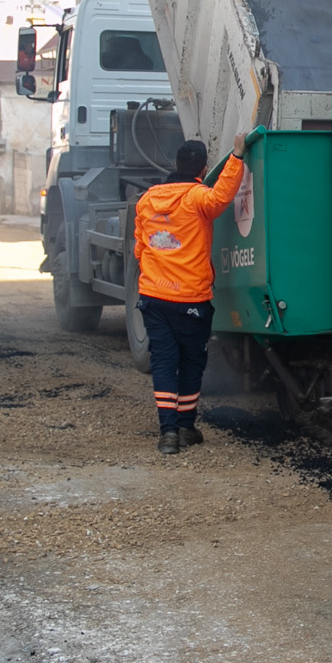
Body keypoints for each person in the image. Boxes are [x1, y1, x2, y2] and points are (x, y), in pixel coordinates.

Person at [133, 131, 249, 455]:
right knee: (191, 363)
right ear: (202, 168)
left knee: (164, 363)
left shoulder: (148, 200)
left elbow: (139, 250)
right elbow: (222, 196)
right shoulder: (197, 197)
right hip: (191, 301)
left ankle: (168, 434)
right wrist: (237, 156)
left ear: (176, 164)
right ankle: (185, 427)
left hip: (154, 298)